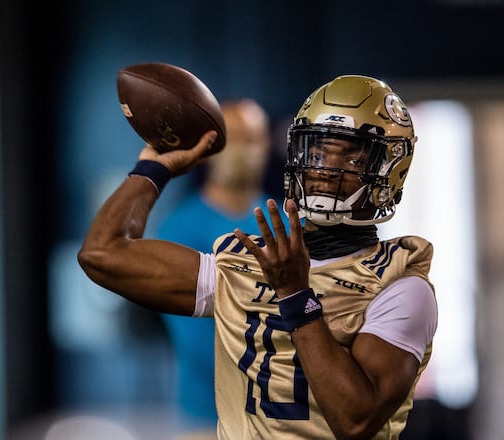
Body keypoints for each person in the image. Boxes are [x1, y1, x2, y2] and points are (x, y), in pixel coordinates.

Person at [78, 75, 438, 439]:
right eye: (316, 153)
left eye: (352, 155)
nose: (325, 171)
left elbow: (356, 422)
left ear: (389, 169)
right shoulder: (243, 261)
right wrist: (153, 168)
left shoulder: (400, 287)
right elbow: (102, 253)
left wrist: (296, 297)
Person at [155, 99, 275, 435]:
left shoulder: (286, 221)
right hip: (209, 417)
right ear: (211, 148)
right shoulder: (179, 228)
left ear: (266, 144)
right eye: (232, 138)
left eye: (251, 138)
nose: (242, 149)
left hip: (283, 419)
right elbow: (193, 338)